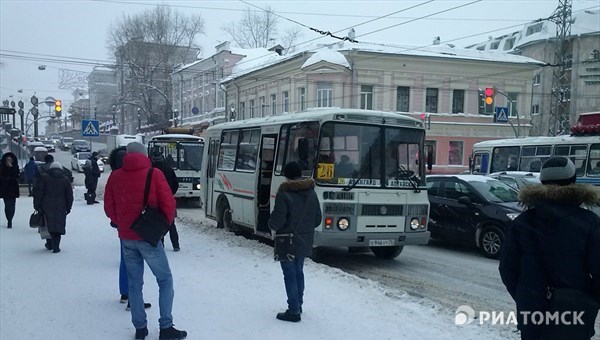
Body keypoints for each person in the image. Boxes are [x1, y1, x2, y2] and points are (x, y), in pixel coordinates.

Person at [499, 156, 600, 340]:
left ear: (541, 182)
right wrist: (588, 300)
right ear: (574, 182)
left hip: (533, 313)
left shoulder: (523, 222)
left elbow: (507, 270)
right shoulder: (590, 223)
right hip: (575, 312)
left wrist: (526, 297)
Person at [104, 142, 186, 340]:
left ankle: (140, 328)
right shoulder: (154, 174)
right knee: (165, 279)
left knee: (134, 283)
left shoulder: (115, 176)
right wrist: (162, 227)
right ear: (144, 155)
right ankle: (166, 327)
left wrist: (122, 223)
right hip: (149, 237)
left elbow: (109, 207)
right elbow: (169, 203)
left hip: (126, 238)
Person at [268, 161, 322, 322]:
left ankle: (293, 311)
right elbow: (317, 219)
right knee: (298, 271)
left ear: (287, 175)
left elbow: (277, 220)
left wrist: (270, 223)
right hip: (304, 240)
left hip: (287, 241)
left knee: (289, 274)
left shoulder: (284, 193)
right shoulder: (311, 192)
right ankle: (298, 304)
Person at [108, 147, 152, 311]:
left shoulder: (115, 176)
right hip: (142, 225)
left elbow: (109, 203)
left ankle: (125, 293)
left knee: (125, 259)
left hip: (124, 226)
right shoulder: (142, 174)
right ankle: (134, 300)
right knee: (137, 263)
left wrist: (117, 220)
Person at [33, 162, 73, 253]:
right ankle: (56, 246)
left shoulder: (44, 178)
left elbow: (39, 192)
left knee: (47, 225)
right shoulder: (65, 179)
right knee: (58, 225)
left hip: (46, 205)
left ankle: (50, 244)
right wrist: (68, 207)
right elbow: (69, 195)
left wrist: (37, 205)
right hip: (61, 206)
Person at [150, 151, 180, 251]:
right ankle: (176, 245)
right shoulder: (169, 169)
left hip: (156, 201)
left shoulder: (151, 170)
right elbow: (176, 184)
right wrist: (170, 194)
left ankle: (160, 244)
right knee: (171, 223)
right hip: (168, 199)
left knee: (158, 223)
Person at [0, 152, 20, 229]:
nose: (9, 160)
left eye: (10, 159)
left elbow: (17, 176)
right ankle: (9, 220)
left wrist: (12, 168)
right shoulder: (2, 167)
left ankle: (10, 218)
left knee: (12, 206)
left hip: (13, 189)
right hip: (5, 189)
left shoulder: (15, 167)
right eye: (7, 159)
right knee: (7, 205)